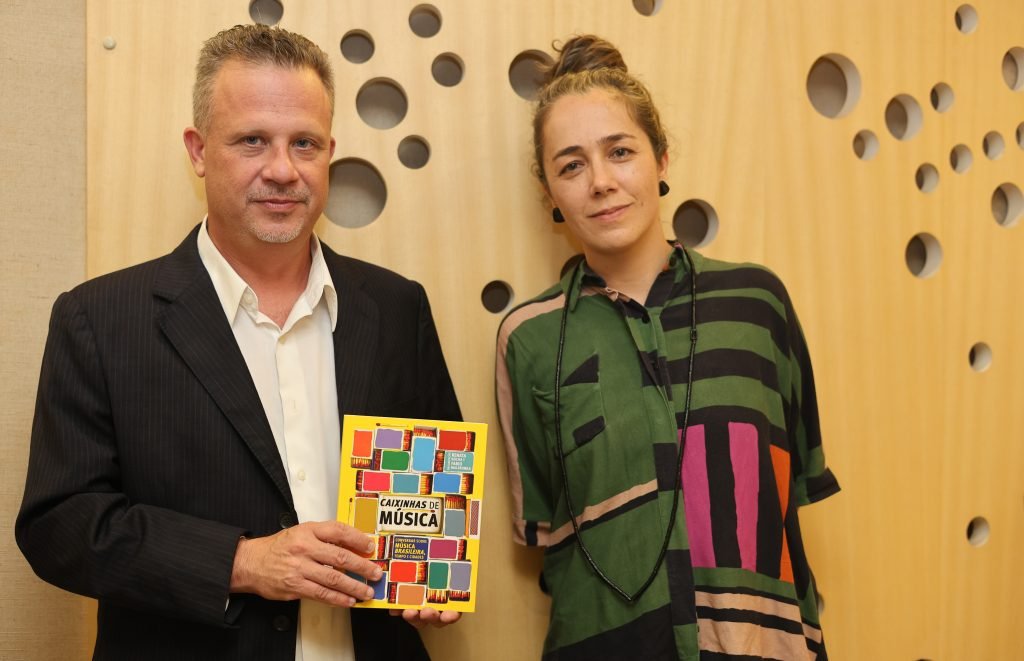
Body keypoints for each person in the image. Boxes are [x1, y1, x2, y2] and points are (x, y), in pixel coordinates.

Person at [16, 24, 461, 661]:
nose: (282, 170)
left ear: (329, 152)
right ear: (198, 151)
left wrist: (435, 572)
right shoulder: (98, 319)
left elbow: (437, 497)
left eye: (304, 143)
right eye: (253, 140)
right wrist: (242, 562)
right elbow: (60, 526)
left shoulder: (397, 308)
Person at [496, 35, 840, 660]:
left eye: (620, 152)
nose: (601, 182)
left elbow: (788, 489)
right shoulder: (528, 338)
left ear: (661, 160)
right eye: (571, 166)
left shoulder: (758, 303)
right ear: (550, 194)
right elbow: (547, 528)